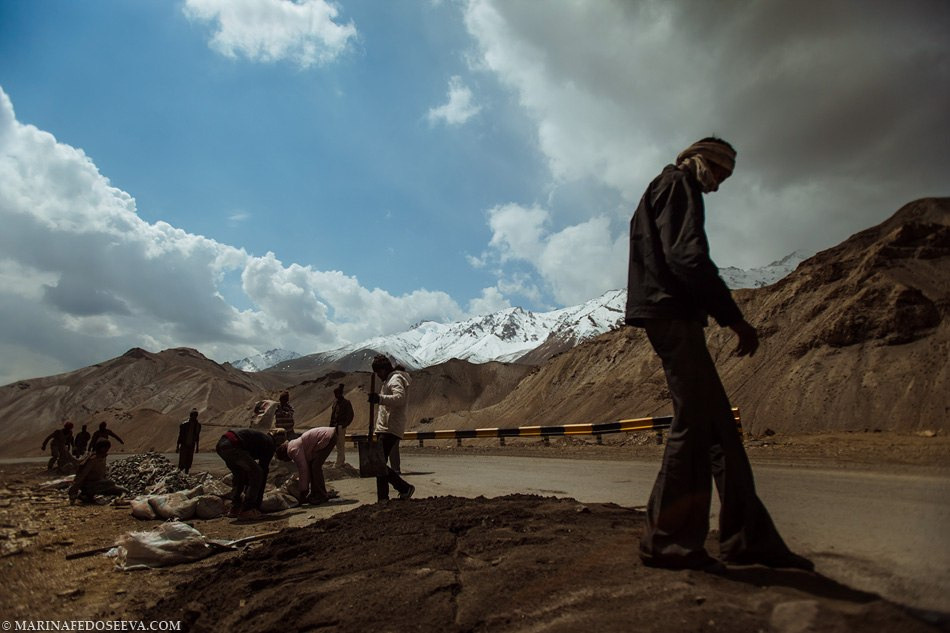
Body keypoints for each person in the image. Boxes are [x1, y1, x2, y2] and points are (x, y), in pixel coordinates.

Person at [626, 137, 813, 572]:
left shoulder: (664, 187)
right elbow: (687, 257)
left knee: (718, 432)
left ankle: (748, 539)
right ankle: (668, 542)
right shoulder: (678, 184)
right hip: (671, 314)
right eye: (721, 173)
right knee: (693, 426)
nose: (720, 184)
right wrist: (734, 319)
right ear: (704, 162)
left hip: (666, 312)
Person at [367, 355, 414, 501]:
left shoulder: (395, 379)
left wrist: (380, 399)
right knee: (379, 464)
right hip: (385, 427)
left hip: (390, 427)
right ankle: (383, 498)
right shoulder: (389, 380)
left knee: (378, 463)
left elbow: (399, 398)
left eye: (378, 372)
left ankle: (403, 488)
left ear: (383, 369)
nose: (378, 376)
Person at [215, 428, 279, 519]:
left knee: (239, 475)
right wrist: (257, 504)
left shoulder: (261, 438)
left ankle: (235, 508)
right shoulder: (269, 444)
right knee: (257, 474)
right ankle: (247, 510)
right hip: (234, 446)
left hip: (221, 446)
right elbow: (263, 471)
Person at [275, 426, 339, 504]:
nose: (287, 461)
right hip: (328, 434)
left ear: (285, 454)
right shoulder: (294, 445)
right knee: (313, 466)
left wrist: (303, 491)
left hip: (327, 437)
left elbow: (303, 470)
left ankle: (321, 495)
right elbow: (307, 469)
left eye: (284, 459)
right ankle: (316, 492)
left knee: (315, 467)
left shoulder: (293, 450)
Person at [329, 383, 354, 467]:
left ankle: (340, 462)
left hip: (340, 426)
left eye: (337, 394)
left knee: (341, 444)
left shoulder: (346, 403)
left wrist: (344, 425)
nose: (336, 395)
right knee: (337, 444)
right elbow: (333, 415)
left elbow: (350, 415)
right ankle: (339, 461)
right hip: (334, 426)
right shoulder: (335, 403)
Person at [176, 409, 202, 474]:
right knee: (182, 461)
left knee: (189, 461)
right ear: (191, 416)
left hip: (191, 445)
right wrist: (177, 446)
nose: (194, 417)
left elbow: (197, 437)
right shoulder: (184, 425)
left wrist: (197, 447)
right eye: (193, 416)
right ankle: (179, 474)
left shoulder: (198, 425)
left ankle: (186, 474)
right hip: (184, 445)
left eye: (196, 416)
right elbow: (180, 436)